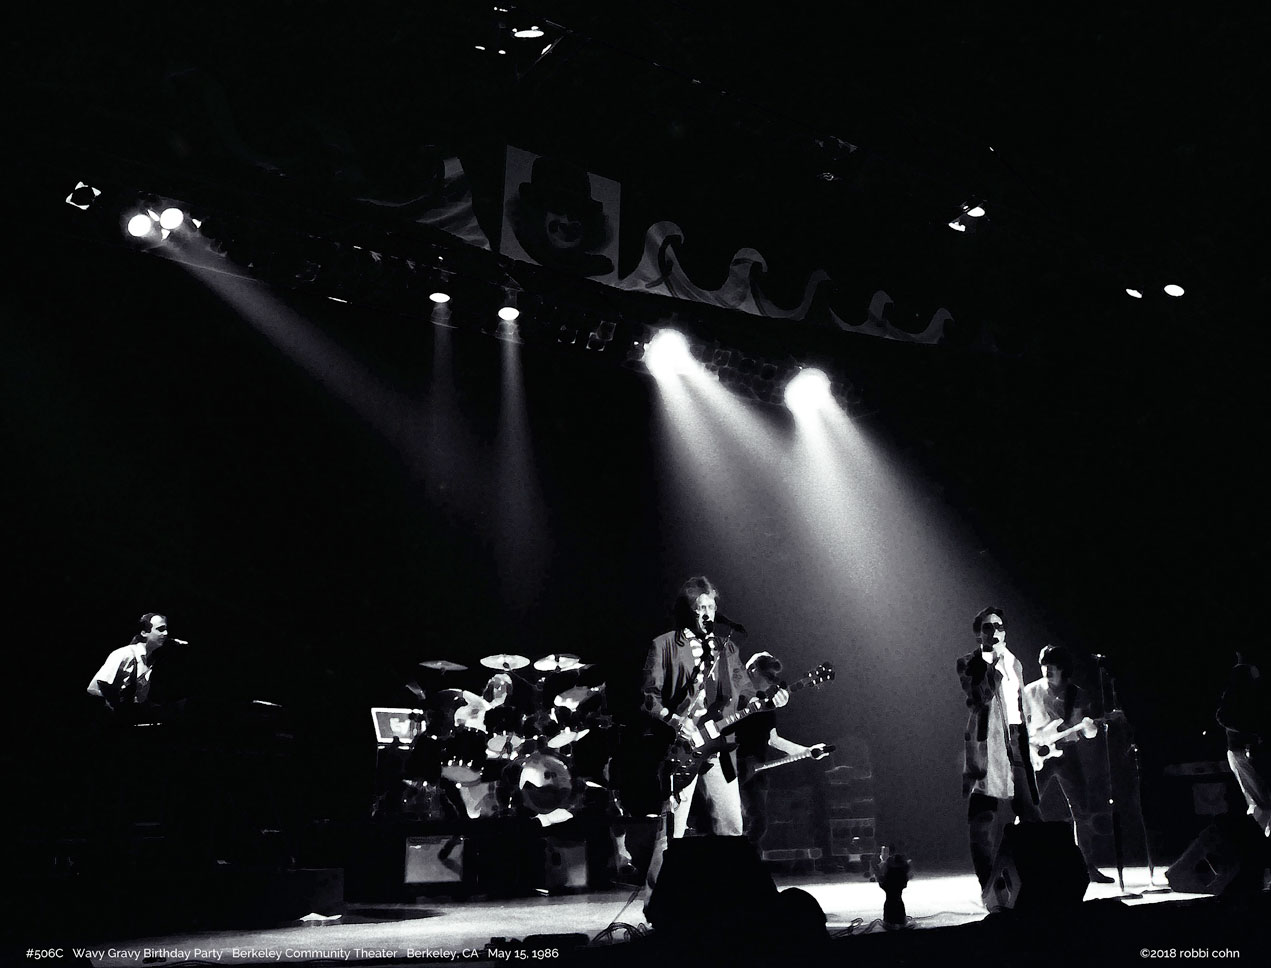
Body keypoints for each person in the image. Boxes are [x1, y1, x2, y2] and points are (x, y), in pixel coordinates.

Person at [640, 576, 756, 888]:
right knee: (671, 832)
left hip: (720, 746)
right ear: (688, 610)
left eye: (711, 607)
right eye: (700, 607)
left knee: (733, 827)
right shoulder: (665, 645)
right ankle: (656, 902)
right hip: (682, 747)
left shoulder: (727, 647)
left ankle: (734, 895)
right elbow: (649, 697)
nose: (707, 613)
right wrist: (676, 720)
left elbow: (747, 691)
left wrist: (770, 698)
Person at [957, 605, 1041, 889]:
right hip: (988, 744)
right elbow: (977, 699)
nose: (995, 632)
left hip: (1016, 740)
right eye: (988, 627)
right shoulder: (968, 663)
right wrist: (992, 668)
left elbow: (1021, 704)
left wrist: (1031, 738)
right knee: (983, 819)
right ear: (978, 634)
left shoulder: (1015, 662)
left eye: (1000, 627)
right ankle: (988, 886)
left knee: (1029, 812)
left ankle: (1035, 879)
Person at [1022, 645, 1115, 882]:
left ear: (1063, 668)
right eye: (1044, 665)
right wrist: (1029, 747)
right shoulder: (1030, 691)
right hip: (1039, 754)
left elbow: (1087, 732)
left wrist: (1091, 728)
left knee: (1081, 810)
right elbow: (1020, 726)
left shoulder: (1077, 694)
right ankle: (1019, 861)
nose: (1047, 670)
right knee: (1027, 807)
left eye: (1052, 666)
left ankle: (1086, 866)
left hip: (1067, 753)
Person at [734, 652, 829, 846]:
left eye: (774, 679)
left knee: (759, 823)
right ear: (753, 670)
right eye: (768, 677)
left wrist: (807, 751)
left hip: (754, 773)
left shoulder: (766, 706)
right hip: (728, 767)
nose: (771, 683)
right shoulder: (733, 694)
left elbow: (775, 741)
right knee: (730, 824)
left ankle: (741, 857)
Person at [87, 612, 185, 721]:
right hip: (108, 719)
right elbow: (101, 683)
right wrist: (117, 709)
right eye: (160, 629)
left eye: (166, 629)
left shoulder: (150, 659)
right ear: (144, 632)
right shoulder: (125, 654)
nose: (166, 633)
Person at [1216, 649, 1270, 838]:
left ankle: (1260, 841)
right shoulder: (1243, 681)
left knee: (1260, 803)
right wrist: (1254, 731)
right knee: (1261, 803)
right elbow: (1224, 716)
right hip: (1244, 749)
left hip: (1244, 749)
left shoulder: (1243, 681)